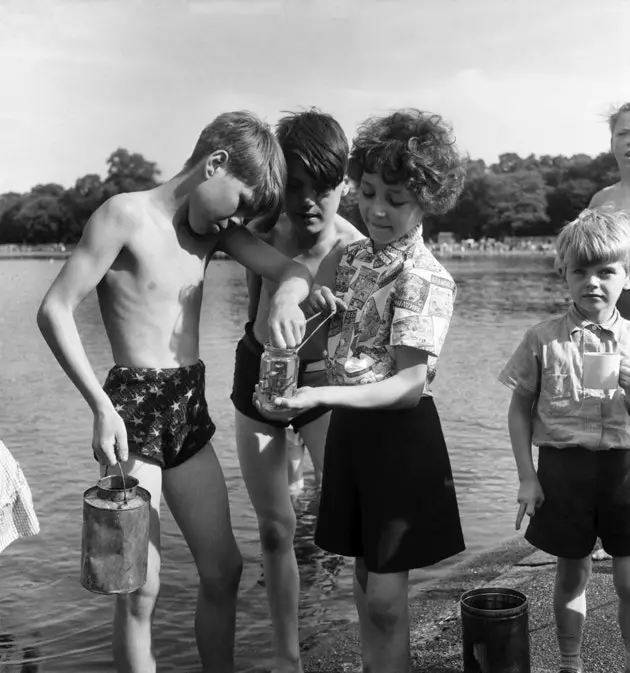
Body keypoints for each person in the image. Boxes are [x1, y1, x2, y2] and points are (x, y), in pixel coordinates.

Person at [36, 110, 313, 673]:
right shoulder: (125, 215)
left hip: (188, 412)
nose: (234, 220)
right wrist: (99, 407)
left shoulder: (210, 233)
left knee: (225, 569)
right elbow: (55, 310)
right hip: (130, 416)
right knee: (138, 587)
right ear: (214, 164)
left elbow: (292, 271)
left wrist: (286, 297)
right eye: (237, 201)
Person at [262, 109, 467, 673]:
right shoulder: (348, 256)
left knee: (383, 600)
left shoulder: (426, 276)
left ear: (427, 199)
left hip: (400, 438)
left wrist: (318, 397)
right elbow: (312, 295)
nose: (377, 209)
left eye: (396, 199)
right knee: (360, 575)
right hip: (352, 432)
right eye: (369, 192)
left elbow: (406, 386)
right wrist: (286, 308)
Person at [230, 109, 363, 672]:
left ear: (344, 186)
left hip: (322, 387)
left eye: (324, 189)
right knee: (275, 525)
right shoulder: (259, 232)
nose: (309, 202)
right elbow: (252, 300)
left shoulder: (356, 250)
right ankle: (287, 658)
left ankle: (366, 640)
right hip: (258, 377)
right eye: (297, 187)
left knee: (352, 520)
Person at [499, 208, 630, 673]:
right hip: (562, 470)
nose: (592, 282)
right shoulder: (542, 338)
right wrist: (526, 478)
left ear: (626, 275)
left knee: (629, 580)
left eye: (606, 272)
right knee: (571, 571)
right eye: (581, 271)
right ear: (563, 274)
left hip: (623, 471)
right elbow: (519, 408)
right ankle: (570, 663)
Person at [588, 102, 630, 563]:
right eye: (623, 133)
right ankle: (602, 528)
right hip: (607, 315)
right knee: (602, 407)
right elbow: (586, 269)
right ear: (612, 141)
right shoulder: (601, 202)